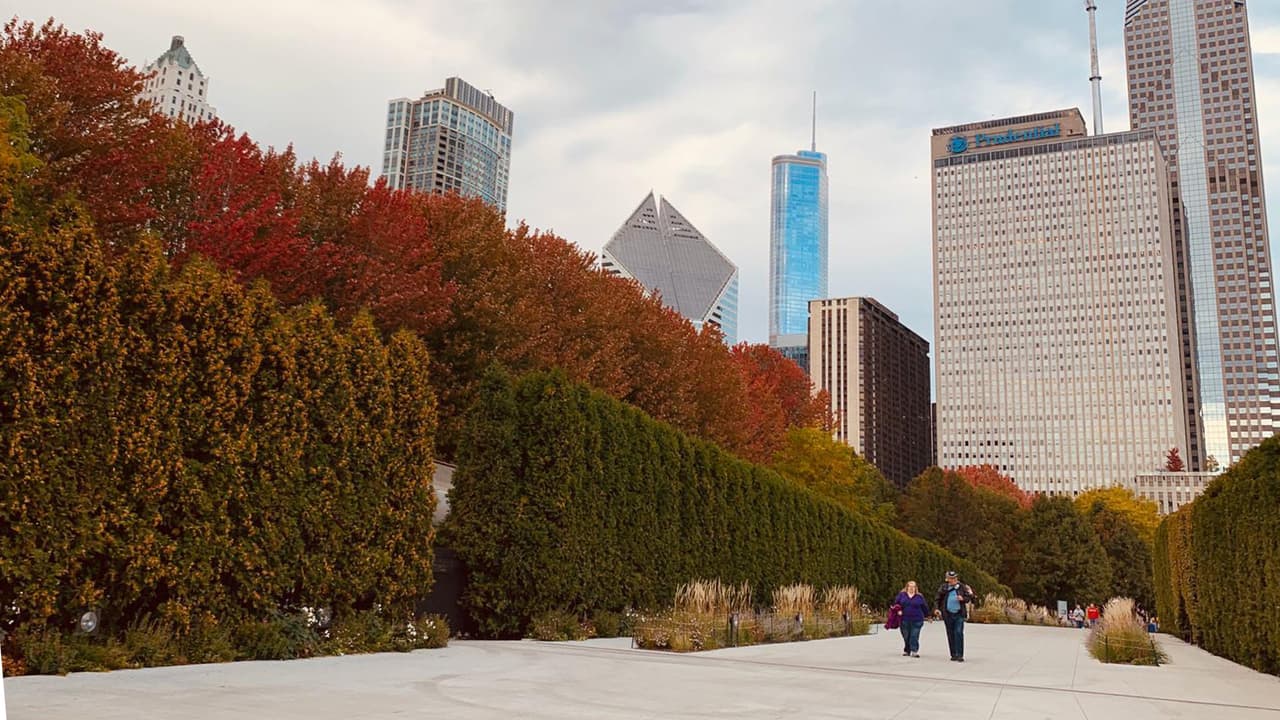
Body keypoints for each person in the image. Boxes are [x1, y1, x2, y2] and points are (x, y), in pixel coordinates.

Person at [935, 570, 975, 662]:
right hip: (947, 614)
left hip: (959, 614)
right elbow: (938, 599)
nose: (954, 580)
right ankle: (954, 654)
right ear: (947, 579)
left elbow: (970, 598)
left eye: (955, 578)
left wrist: (963, 598)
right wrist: (936, 609)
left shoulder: (962, 587)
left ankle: (960, 655)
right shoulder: (944, 587)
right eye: (951, 578)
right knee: (950, 633)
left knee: (958, 632)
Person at [895, 581, 930, 658]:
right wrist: (898, 610)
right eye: (910, 586)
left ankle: (914, 651)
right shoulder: (901, 595)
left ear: (916, 588)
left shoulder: (919, 597)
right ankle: (907, 650)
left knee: (914, 635)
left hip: (917, 619)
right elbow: (896, 605)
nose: (911, 588)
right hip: (904, 619)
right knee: (906, 636)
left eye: (913, 586)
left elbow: (924, 607)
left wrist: (928, 616)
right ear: (907, 587)